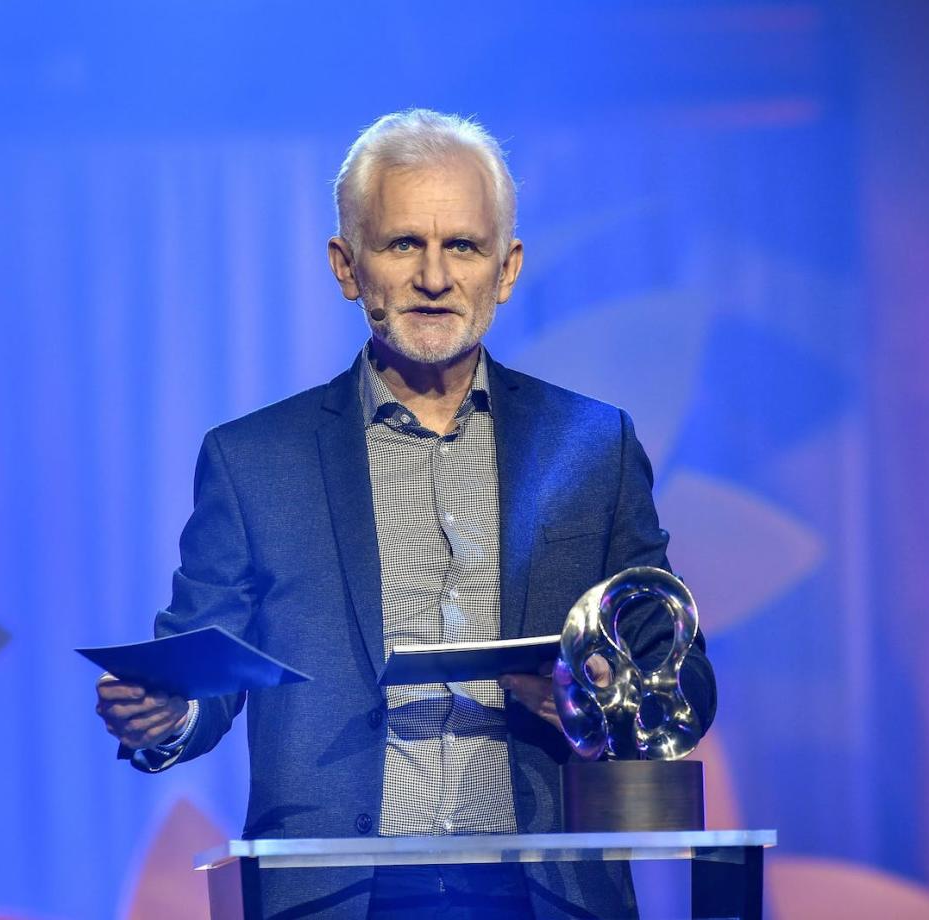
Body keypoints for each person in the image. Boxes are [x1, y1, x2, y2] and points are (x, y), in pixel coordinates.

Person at [94, 109, 717, 919]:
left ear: (507, 267)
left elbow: (679, 671)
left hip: (547, 889)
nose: (435, 276)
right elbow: (201, 672)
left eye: (463, 245)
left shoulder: (592, 443)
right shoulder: (255, 460)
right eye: (402, 245)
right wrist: (166, 712)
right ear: (347, 266)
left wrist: (604, 692)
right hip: (337, 892)